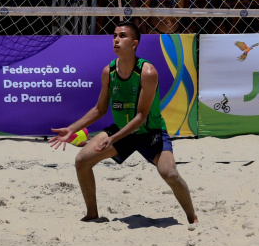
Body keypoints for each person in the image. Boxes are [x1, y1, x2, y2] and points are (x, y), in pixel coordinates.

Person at [48, 21, 198, 227]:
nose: (116, 39)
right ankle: (92, 214)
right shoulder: (108, 71)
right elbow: (99, 109)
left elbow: (141, 117)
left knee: (169, 173)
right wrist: (72, 128)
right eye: (115, 36)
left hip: (149, 131)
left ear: (134, 43)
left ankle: (192, 217)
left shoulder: (147, 72)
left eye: (122, 36)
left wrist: (112, 139)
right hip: (120, 131)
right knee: (82, 160)